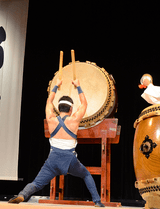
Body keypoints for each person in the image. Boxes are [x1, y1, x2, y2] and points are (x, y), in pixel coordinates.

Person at [8, 79, 105, 207]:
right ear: (70, 109)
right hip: (70, 160)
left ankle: (22, 195)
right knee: (86, 174)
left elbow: (48, 101)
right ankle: (97, 202)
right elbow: (84, 104)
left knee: (37, 183)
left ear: (58, 108)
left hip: (52, 160)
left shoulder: (51, 118)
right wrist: (78, 87)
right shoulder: (74, 120)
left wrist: (55, 86)